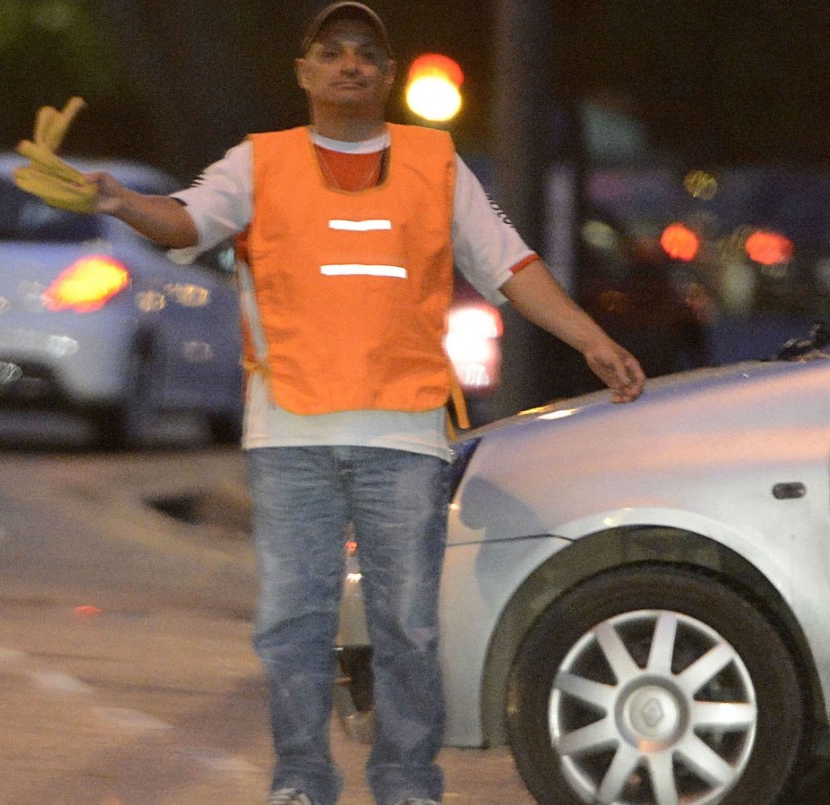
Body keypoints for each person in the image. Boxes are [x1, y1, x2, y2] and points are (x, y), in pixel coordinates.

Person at [82, 4, 645, 805]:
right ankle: (303, 781)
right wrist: (119, 201)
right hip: (289, 433)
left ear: (387, 77)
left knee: (408, 627)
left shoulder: (435, 162)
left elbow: (511, 265)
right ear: (304, 73)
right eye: (331, 52)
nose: (349, 64)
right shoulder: (258, 162)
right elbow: (185, 220)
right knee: (294, 626)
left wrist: (591, 337)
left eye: (366, 55)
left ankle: (408, 783)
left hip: (406, 433)